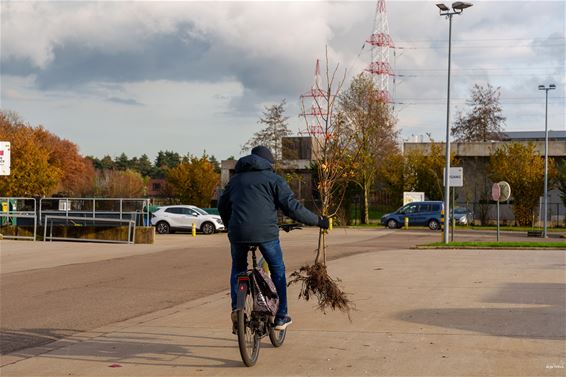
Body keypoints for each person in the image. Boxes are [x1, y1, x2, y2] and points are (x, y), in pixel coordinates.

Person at [218, 145, 329, 331]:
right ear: (268, 162)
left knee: (238, 268)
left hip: (238, 233)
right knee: (278, 269)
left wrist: (230, 225)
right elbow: (292, 207)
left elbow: (223, 205)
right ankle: (281, 316)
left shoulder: (235, 180)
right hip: (265, 233)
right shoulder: (273, 179)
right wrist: (317, 220)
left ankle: (236, 309)